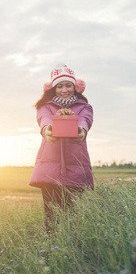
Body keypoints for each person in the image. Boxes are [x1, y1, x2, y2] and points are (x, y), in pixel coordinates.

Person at [29, 64, 94, 226]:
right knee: (51, 216)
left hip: (75, 167)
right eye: (60, 86)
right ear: (53, 88)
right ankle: (52, 249)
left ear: (75, 87)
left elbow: (85, 120)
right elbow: (44, 119)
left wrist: (81, 131)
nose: (64, 90)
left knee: (72, 217)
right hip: (50, 168)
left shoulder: (84, 107)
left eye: (68, 85)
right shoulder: (45, 107)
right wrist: (47, 130)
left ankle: (70, 247)